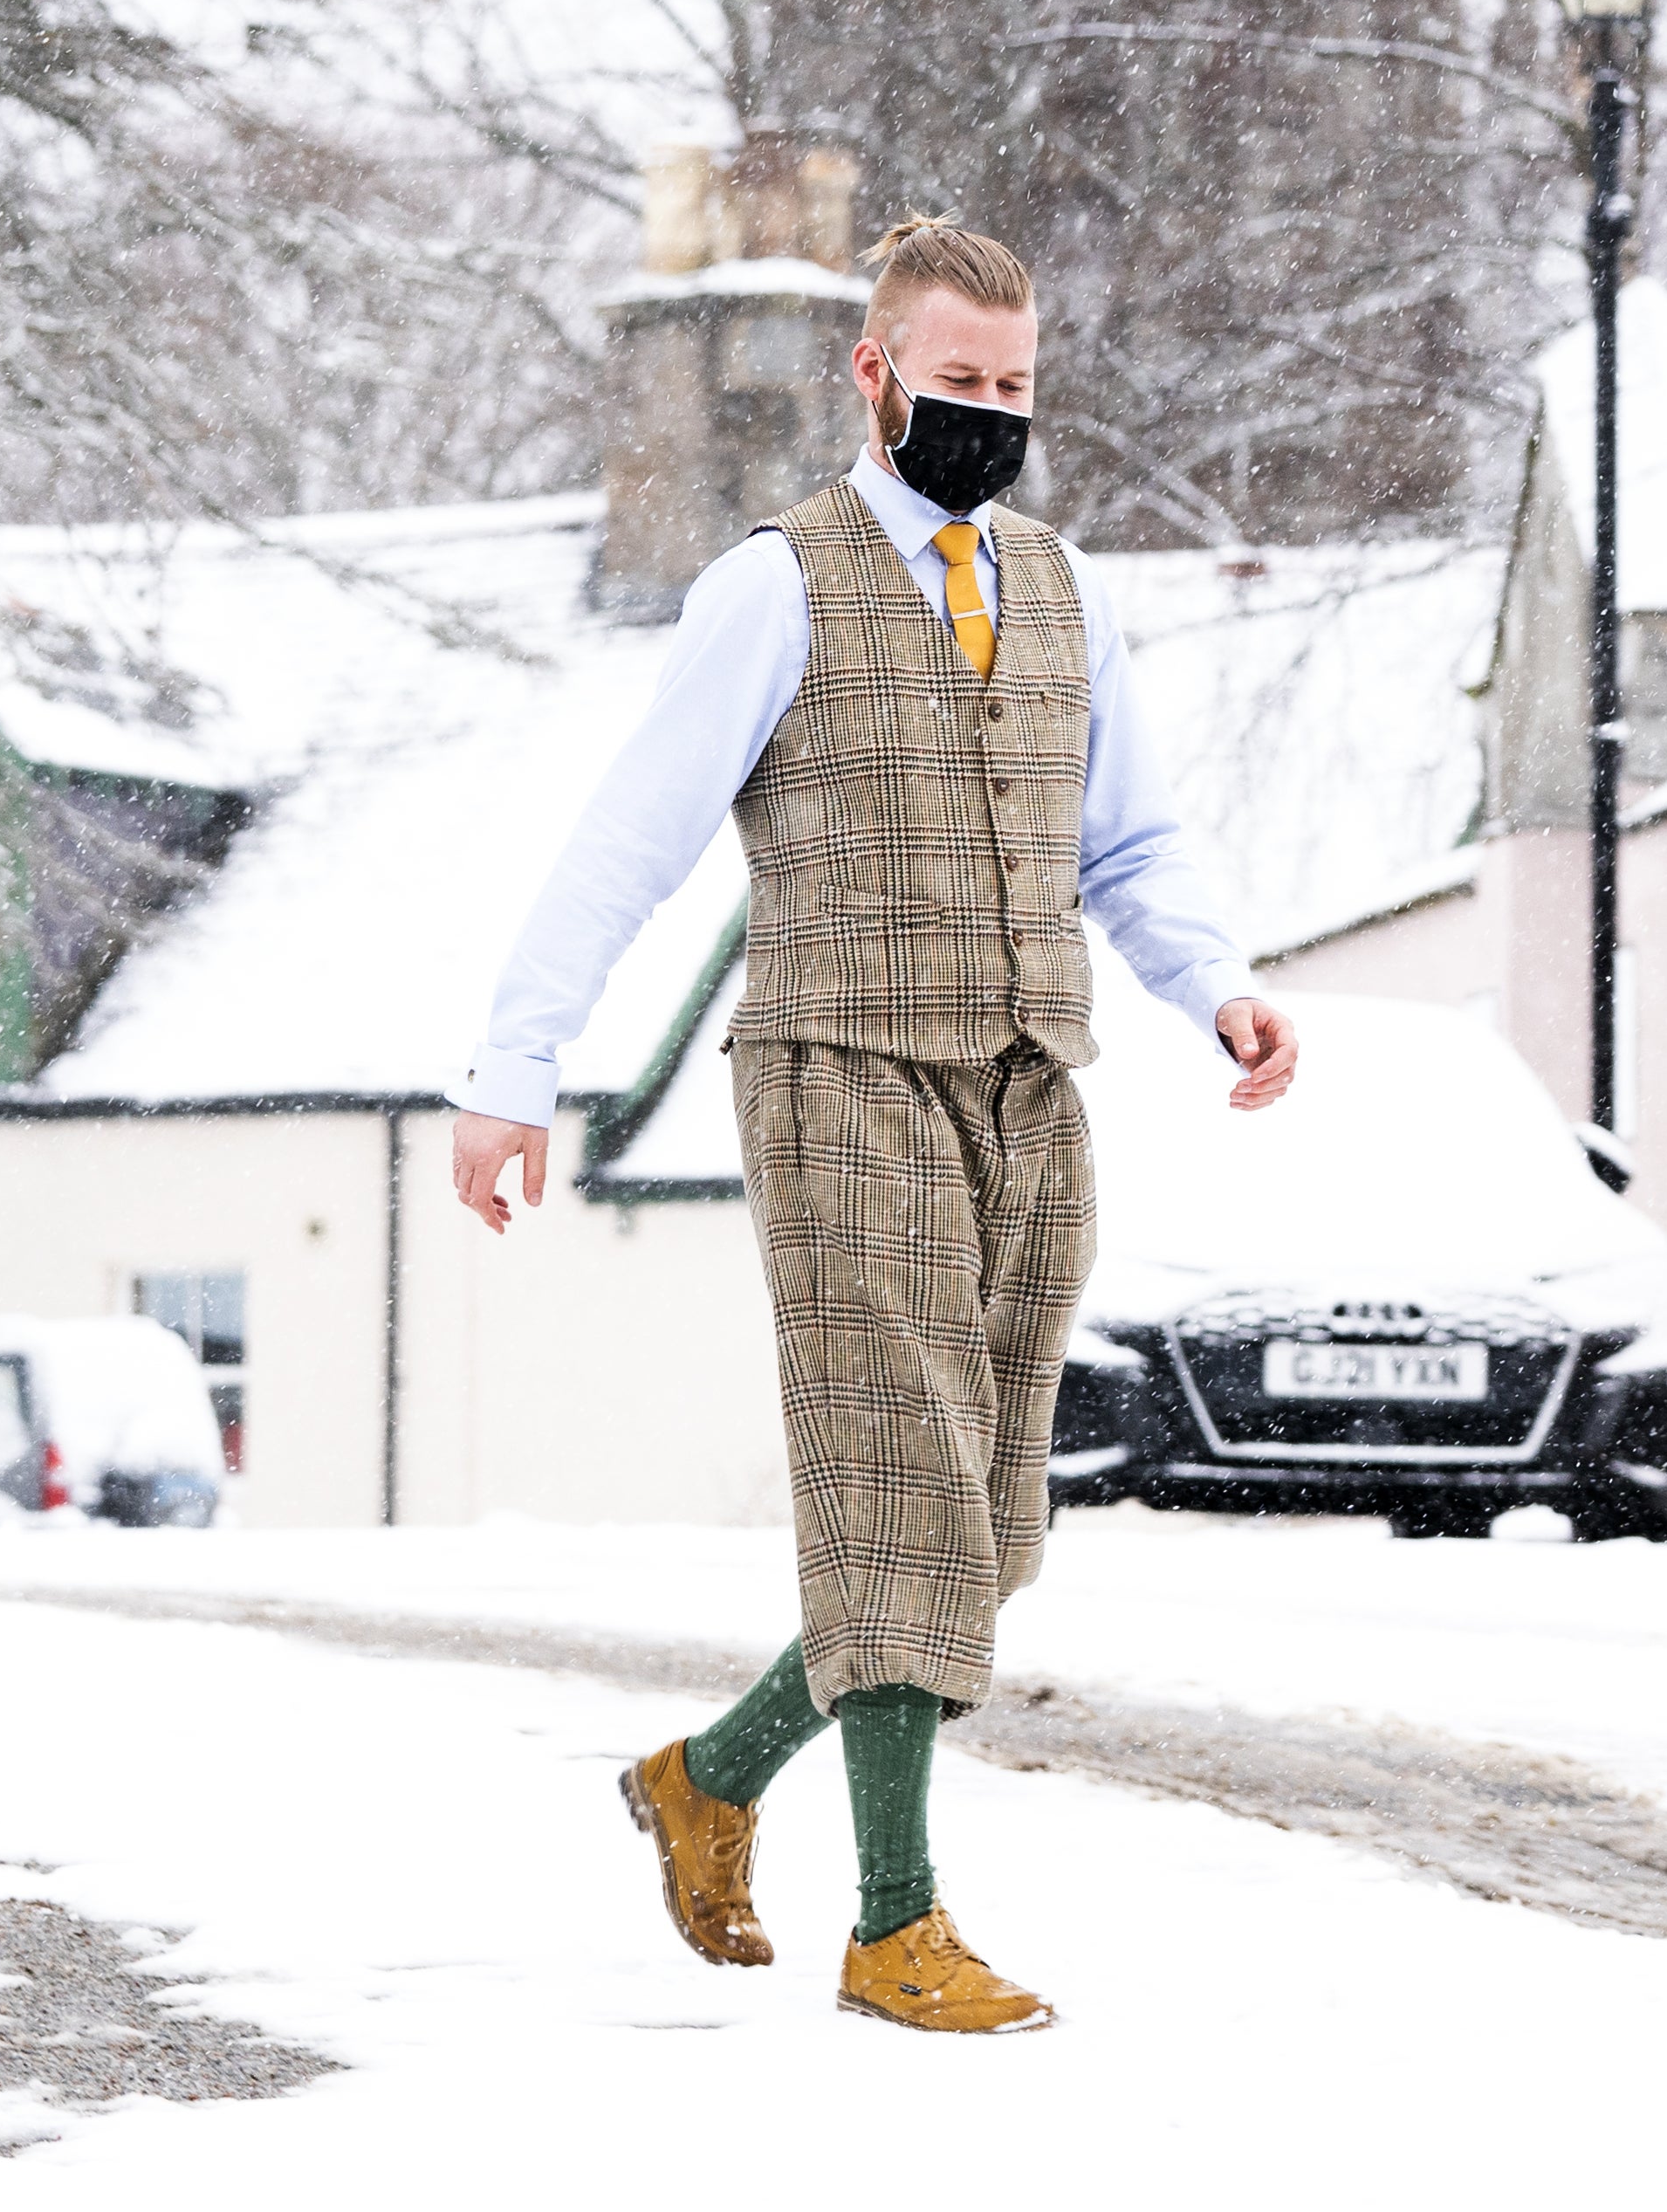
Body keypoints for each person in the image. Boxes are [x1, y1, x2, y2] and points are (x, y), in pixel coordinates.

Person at [447, 215, 1299, 2033]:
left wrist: (1212, 983)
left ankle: (711, 1776)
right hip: (841, 1068)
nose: (987, 415)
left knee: (983, 1523)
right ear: (875, 373)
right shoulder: (776, 586)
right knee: (902, 1485)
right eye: (955, 382)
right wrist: (515, 1073)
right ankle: (893, 1925)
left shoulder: (1061, 589)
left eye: (1013, 387)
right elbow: (635, 835)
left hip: (1026, 1076)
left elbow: (1126, 844)